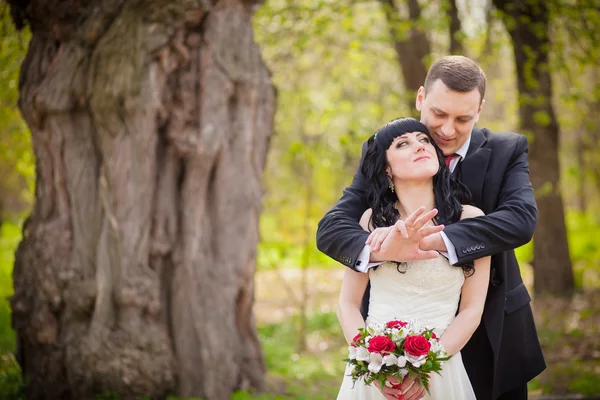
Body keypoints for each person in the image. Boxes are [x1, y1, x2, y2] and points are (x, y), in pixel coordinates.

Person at [317, 56, 545, 400]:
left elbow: (520, 220)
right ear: (421, 98)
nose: (448, 130)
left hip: (493, 329)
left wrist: (436, 240)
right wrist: (381, 250)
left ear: (480, 110)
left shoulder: (506, 151)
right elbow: (332, 229)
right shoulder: (384, 149)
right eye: (439, 114)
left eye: (463, 118)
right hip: (392, 346)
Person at [336, 118, 490, 400]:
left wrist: (428, 368)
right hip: (375, 373)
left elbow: (471, 310)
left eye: (423, 140)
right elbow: (347, 303)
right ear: (386, 167)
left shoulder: (469, 219)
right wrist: (372, 364)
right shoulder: (371, 222)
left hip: (440, 368)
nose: (419, 147)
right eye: (402, 144)